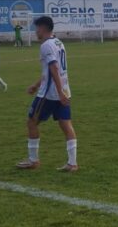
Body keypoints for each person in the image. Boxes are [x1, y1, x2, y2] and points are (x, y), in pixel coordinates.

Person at [17, 16, 78, 172]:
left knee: (31, 122)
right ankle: (72, 163)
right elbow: (50, 71)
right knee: (66, 124)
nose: (36, 31)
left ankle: (33, 160)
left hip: (50, 95)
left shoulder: (46, 46)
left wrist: (58, 92)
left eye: (37, 28)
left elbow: (53, 69)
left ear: (43, 28)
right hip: (64, 91)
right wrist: (36, 85)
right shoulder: (59, 42)